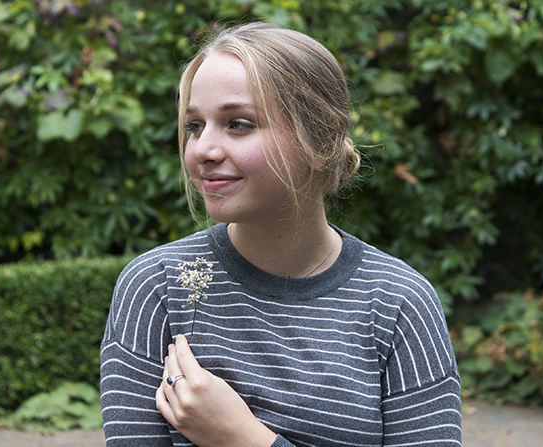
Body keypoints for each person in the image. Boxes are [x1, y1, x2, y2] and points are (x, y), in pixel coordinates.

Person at [100, 22, 462, 447]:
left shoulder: (398, 304)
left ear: (319, 137)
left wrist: (242, 439)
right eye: (195, 125)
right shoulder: (156, 289)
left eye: (238, 124)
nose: (202, 150)